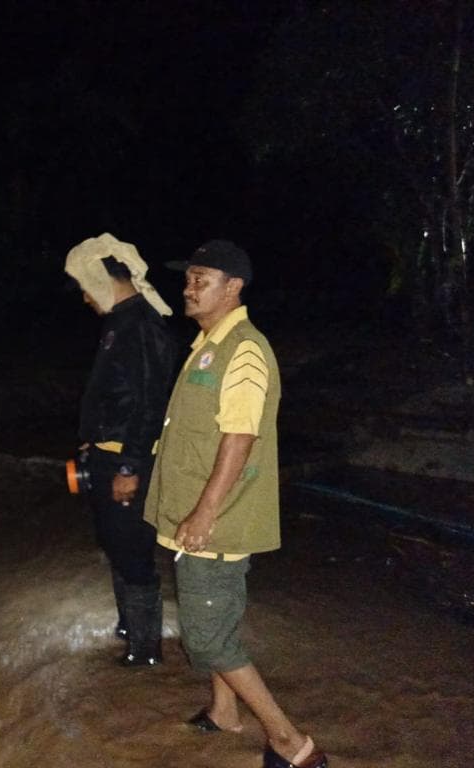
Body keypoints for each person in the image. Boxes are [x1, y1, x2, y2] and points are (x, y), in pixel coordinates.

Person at [143, 240, 328, 767]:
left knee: (207, 641)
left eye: (203, 278)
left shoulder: (242, 349)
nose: (190, 287)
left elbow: (239, 436)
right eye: (188, 278)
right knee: (216, 621)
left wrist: (204, 514)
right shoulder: (210, 344)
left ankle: (293, 744)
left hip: (215, 523)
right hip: (200, 517)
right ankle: (225, 711)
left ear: (234, 287)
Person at [65, 232, 177, 667]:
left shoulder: (142, 326)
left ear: (100, 277)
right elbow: (119, 395)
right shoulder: (120, 322)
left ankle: (146, 651)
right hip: (109, 453)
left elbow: (151, 403)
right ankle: (130, 627)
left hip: (130, 459)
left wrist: (129, 466)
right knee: (115, 542)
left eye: (83, 286)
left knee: (132, 549)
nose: (84, 298)